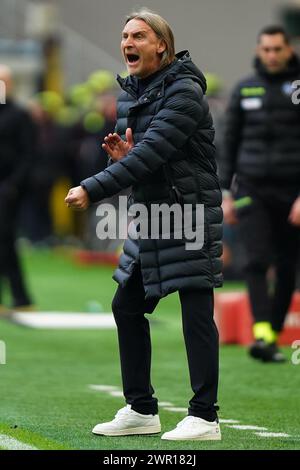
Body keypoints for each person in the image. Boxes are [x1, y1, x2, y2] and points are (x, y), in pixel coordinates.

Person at [65, 9, 222, 441]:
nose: (128, 42)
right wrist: (119, 162)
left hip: (189, 213)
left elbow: (151, 153)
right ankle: (141, 409)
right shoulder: (130, 94)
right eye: (124, 36)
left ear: (162, 46)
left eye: (138, 35)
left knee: (196, 313)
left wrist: (92, 188)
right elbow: (140, 161)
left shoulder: (185, 93)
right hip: (150, 215)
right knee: (126, 306)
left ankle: (205, 416)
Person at [220, 26, 300, 362]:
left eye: (277, 49)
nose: (271, 55)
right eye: (266, 49)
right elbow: (228, 144)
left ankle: (273, 333)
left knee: (287, 265)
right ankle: (262, 332)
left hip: (292, 191)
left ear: (287, 50)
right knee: (256, 259)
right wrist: (225, 192)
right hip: (251, 188)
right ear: (259, 50)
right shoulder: (243, 88)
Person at [0, 65, 36, 311]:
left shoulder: (19, 116)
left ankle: (20, 296)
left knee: (5, 240)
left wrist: (13, 185)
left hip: (8, 189)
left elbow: (29, 155)